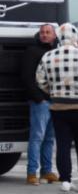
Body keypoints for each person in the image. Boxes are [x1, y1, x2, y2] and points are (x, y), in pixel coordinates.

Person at [35, 23, 78, 192]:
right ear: (76, 37)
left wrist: (53, 92)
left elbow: (40, 80)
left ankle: (65, 180)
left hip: (59, 108)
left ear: (59, 36)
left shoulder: (48, 57)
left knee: (63, 144)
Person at [21, 23, 58, 185]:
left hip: (55, 101)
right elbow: (26, 77)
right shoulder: (32, 51)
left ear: (54, 35)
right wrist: (39, 98)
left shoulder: (57, 52)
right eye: (42, 32)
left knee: (50, 138)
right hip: (40, 103)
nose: (44, 34)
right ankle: (31, 173)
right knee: (37, 137)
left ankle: (47, 171)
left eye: (47, 32)